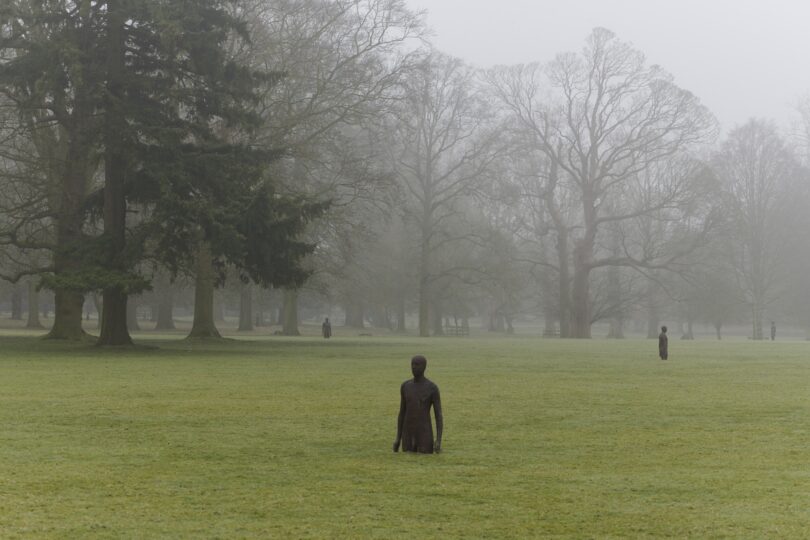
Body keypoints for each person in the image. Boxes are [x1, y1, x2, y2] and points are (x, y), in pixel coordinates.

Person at [393, 355, 443, 454]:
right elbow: (402, 413)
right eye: (412, 364)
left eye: (417, 364)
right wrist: (398, 438)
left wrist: (438, 440)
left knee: (424, 458)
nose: (414, 367)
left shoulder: (432, 388)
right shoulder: (405, 386)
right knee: (407, 460)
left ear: (424, 367)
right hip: (407, 433)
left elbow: (438, 416)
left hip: (424, 433)